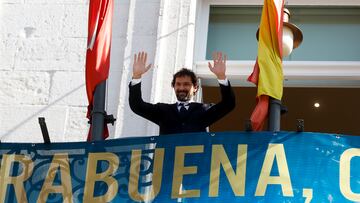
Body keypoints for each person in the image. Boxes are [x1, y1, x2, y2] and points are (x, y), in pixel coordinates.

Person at [128, 51, 235, 135]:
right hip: (167, 161)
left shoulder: (204, 109)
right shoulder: (163, 110)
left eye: (186, 84)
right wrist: (136, 76)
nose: (181, 88)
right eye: (178, 84)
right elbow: (137, 106)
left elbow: (228, 104)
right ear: (173, 87)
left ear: (195, 88)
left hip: (196, 161)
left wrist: (222, 77)